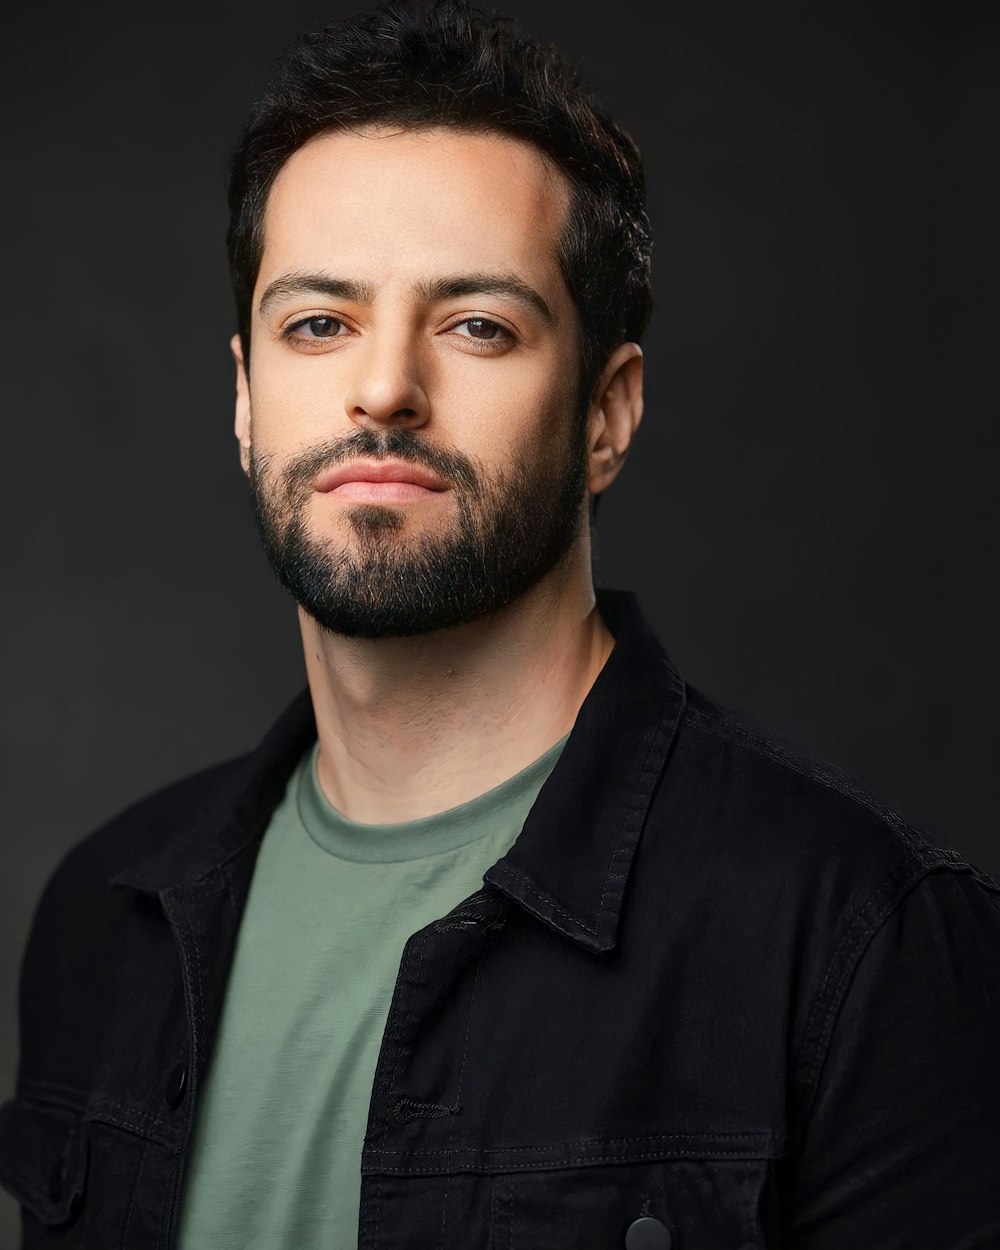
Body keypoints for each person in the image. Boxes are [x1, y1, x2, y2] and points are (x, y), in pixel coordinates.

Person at [2, 1, 999, 1246]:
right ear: (246, 397)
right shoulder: (105, 912)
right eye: (320, 322)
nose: (382, 387)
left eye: (477, 324)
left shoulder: (862, 936)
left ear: (607, 413)